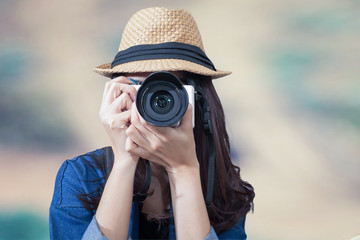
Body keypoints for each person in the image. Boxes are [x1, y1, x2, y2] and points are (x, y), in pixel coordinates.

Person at [49, 7, 255, 240]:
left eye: (167, 88)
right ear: (117, 93)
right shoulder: (81, 177)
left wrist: (184, 170)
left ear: (199, 98)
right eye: (139, 88)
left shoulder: (222, 189)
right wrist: (125, 160)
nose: (154, 101)